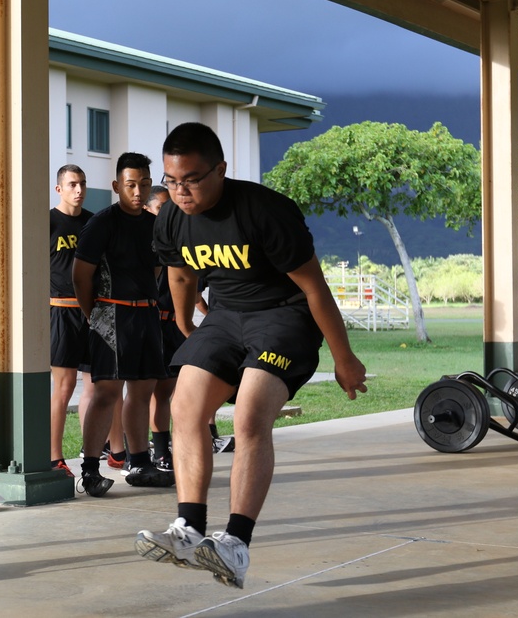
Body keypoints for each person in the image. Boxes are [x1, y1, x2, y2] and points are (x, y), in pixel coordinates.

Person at [134, 122, 367, 588]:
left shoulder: (265, 211)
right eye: (172, 180)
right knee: (185, 405)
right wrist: (186, 327)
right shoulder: (171, 218)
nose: (180, 191)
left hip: (285, 316)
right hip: (226, 314)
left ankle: (236, 545)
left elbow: (314, 287)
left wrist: (344, 358)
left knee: (250, 416)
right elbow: (180, 275)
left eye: (193, 179)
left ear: (221, 169)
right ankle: (188, 528)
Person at [72, 152, 174, 496]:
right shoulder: (102, 222)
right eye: (131, 184)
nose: (138, 191)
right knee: (107, 392)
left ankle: (140, 461)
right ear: (117, 185)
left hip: (147, 314)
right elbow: (79, 276)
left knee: (142, 391)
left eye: (144, 184)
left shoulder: (154, 224)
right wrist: (95, 315)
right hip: (111, 314)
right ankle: (89, 469)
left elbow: (157, 270)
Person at [143, 185, 208, 472]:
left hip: (175, 326)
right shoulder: (145, 243)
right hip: (150, 323)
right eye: (161, 208)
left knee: (168, 392)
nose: (169, 214)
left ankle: (164, 448)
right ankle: (146, 452)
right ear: (148, 210)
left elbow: (192, 291)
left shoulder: (182, 241)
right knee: (146, 391)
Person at [48, 164, 97, 478]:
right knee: (64, 387)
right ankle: (55, 457)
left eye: (82, 184)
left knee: (95, 387)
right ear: (59, 189)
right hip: (60, 312)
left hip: (91, 314)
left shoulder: (94, 222)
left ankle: (91, 455)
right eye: (72, 184)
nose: (78, 190)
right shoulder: (47, 221)